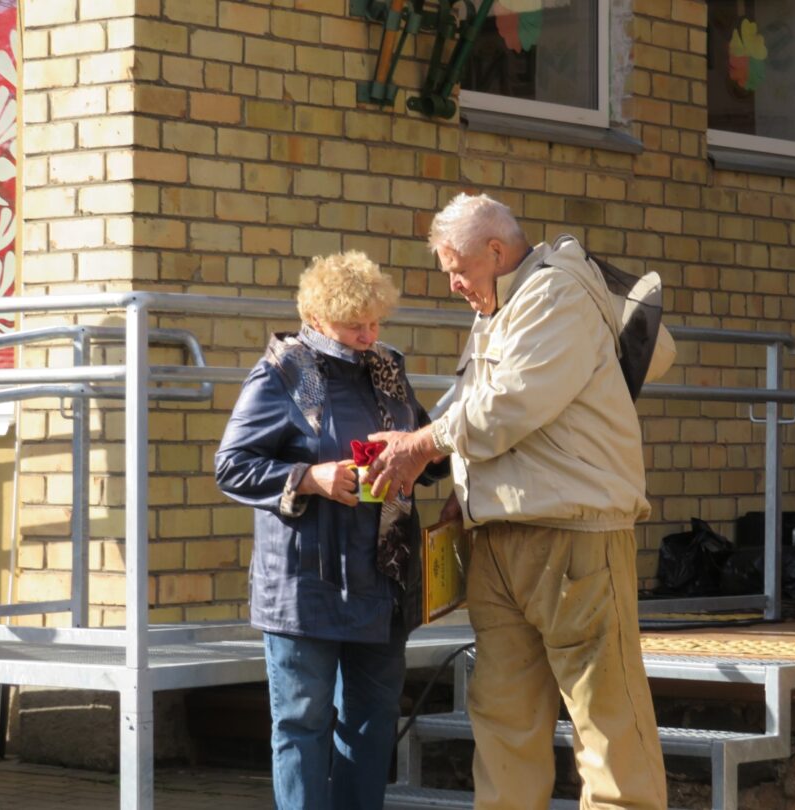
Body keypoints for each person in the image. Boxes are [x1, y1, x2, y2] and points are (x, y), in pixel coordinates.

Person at [366, 193, 668, 809]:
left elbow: (510, 405)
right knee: (502, 721)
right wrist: (464, 490)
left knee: (607, 722)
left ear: (496, 250)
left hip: (574, 539)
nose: (453, 284)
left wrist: (420, 445)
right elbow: (491, 414)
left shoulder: (555, 292)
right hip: (497, 540)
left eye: (458, 269)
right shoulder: (500, 304)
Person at [215, 251, 447, 810]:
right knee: (302, 722)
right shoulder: (283, 372)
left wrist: (430, 453)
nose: (368, 336)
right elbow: (231, 466)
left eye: (375, 322)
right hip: (304, 586)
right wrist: (309, 478)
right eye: (353, 325)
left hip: (381, 580)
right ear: (316, 318)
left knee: (372, 721)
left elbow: (423, 451)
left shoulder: (388, 369)